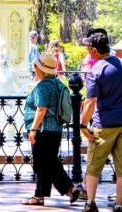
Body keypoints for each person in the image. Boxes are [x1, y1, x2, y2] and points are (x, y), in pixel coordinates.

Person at [22, 51, 79, 206]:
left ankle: (68, 189)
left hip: (43, 130)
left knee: (44, 163)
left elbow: (41, 109)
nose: (34, 68)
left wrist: (33, 129)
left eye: (36, 66)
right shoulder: (57, 83)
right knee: (48, 162)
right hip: (55, 130)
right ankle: (42, 194)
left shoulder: (43, 86)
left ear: (40, 68)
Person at [80, 32, 122, 212]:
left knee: (93, 166)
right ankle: (120, 204)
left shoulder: (96, 71)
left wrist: (82, 125)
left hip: (103, 124)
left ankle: (90, 203)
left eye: (89, 48)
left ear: (95, 51)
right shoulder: (120, 65)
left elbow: (90, 102)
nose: (88, 50)